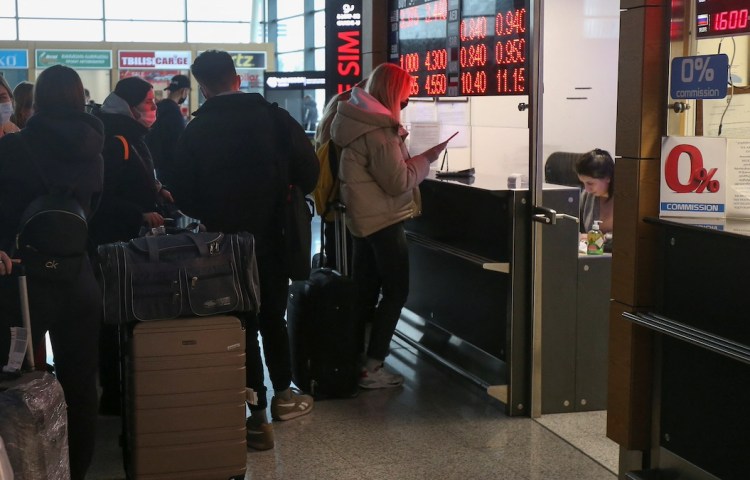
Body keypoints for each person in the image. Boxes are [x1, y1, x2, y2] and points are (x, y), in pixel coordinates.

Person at [172, 50, 320, 451]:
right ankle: (284, 397)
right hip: (274, 236)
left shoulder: (196, 130)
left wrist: (212, 211)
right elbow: (310, 172)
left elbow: (181, 190)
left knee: (240, 320)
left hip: (223, 240)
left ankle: (255, 417)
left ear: (202, 87)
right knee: (273, 314)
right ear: (237, 78)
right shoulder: (274, 118)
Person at [0, 64, 105, 480]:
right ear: (80, 97)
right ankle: (75, 470)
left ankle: (23, 468)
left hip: (22, 279)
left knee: (12, 379)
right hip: (78, 276)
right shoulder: (95, 148)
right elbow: (91, 209)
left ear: (37, 100)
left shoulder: (13, 148)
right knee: (81, 384)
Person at [330, 62, 450, 389]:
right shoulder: (379, 131)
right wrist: (425, 159)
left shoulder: (356, 122)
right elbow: (398, 182)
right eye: (407, 92)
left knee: (365, 292)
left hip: (363, 220)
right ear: (394, 92)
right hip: (383, 221)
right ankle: (373, 366)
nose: (409, 98)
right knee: (396, 291)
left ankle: (355, 360)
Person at [89, 76, 173, 415]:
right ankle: (113, 392)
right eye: (149, 103)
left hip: (128, 236)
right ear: (129, 105)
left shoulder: (131, 135)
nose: (153, 109)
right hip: (113, 241)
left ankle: (123, 386)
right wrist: (140, 212)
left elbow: (135, 177)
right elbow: (104, 196)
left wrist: (156, 189)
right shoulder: (116, 138)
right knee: (113, 315)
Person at [146, 74, 191, 188]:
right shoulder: (175, 113)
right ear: (184, 91)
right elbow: (178, 144)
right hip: (171, 168)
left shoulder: (158, 107)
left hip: (156, 164)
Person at [575, 148, 615, 236]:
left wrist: (600, 239)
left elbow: (628, 237)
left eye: (590, 183)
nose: (587, 189)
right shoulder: (586, 195)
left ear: (608, 177)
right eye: (583, 183)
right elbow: (577, 228)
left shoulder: (625, 198)